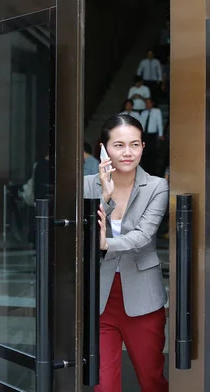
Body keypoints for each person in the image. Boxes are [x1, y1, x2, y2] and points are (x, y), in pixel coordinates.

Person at [84, 114, 169, 392]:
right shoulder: (87, 186)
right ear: (103, 148)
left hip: (143, 299)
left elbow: (144, 236)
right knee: (103, 385)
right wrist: (105, 197)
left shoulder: (157, 186)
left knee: (151, 381)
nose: (128, 152)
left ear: (144, 146)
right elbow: (83, 234)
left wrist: (106, 244)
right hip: (100, 298)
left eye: (134, 144)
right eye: (118, 145)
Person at [139, 98, 164, 176]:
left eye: (149, 103)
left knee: (152, 154)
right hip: (144, 135)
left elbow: (159, 123)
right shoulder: (143, 113)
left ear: (152, 103)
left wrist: (160, 134)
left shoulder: (157, 111)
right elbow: (141, 124)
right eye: (146, 103)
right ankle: (145, 172)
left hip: (152, 135)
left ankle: (153, 172)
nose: (147, 104)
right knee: (144, 153)